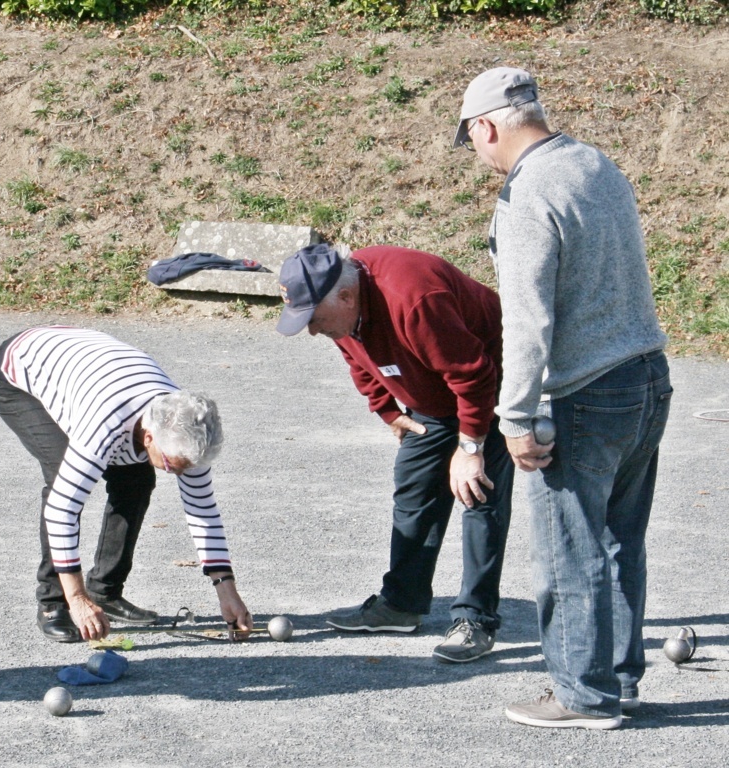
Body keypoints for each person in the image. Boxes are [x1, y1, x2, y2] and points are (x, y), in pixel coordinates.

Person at [456, 66, 671, 729]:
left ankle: (581, 696)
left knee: (568, 551)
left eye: (471, 140)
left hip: (584, 395)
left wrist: (515, 417)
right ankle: (618, 681)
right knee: (617, 545)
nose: (478, 156)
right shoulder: (595, 164)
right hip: (646, 376)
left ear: (485, 126)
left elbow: (526, 320)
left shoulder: (526, 196)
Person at [276, 243, 514, 663]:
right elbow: (357, 356)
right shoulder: (342, 312)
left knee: (479, 494)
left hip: (489, 387)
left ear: (347, 298)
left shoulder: (413, 297)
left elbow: (474, 374)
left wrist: (471, 447)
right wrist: (386, 409)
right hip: (432, 400)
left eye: (313, 320)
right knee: (414, 490)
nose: (312, 331)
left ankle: (476, 619)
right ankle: (401, 604)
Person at [0, 325, 252, 643]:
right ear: (149, 436)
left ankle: (105, 592)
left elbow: (202, 509)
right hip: (20, 371)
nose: (179, 474)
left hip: (90, 366)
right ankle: (53, 601)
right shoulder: (105, 425)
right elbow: (62, 510)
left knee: (137, 478)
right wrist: (77, 599)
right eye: (173, 466)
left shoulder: (189, 433)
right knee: (62, 475)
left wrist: (227, 591)